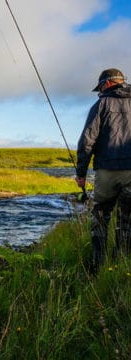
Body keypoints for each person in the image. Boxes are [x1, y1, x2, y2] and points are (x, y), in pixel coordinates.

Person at [75, 68, 131, 272]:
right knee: (127, 218)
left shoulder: (101, 105)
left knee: (100, 214)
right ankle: (122, 264)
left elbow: (87, 141)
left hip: (107, 170)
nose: (99, 92)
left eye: (100, 87)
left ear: (107, 83)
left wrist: (81, 174)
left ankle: (98, 265)